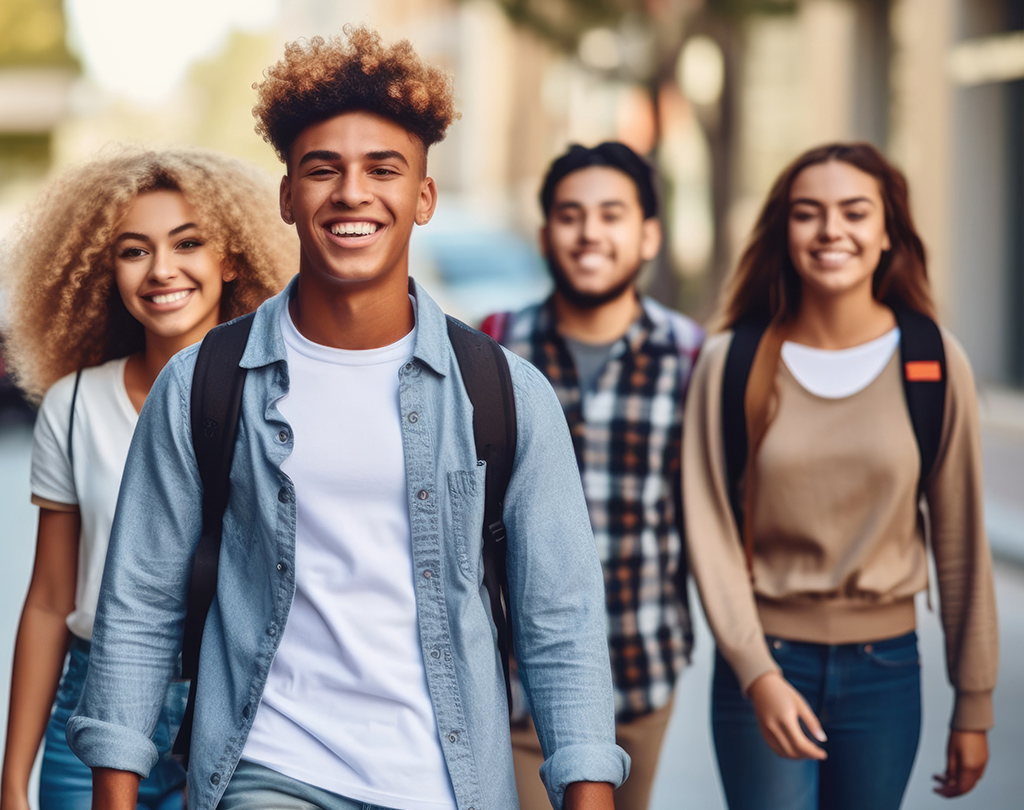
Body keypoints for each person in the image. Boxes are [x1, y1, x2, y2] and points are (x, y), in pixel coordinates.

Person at [65, 27, 627, 810]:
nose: (352, 193)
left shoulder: (504, 393)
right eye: (322, 169)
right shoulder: (205, 385)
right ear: (288, 196)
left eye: (383, 170)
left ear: (423, 197)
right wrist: (115, 791)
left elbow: (559, 618)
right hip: (268, 769)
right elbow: (141, 600)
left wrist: (588, 789)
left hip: (445, 782)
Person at [682, 142, 998, 810]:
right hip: (765, 661)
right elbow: (708, 530)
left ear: (888, 232)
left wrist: (975, 700)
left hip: (886, 671)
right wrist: (756, 672)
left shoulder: (934, 363)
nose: (831, 230)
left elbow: (962, 542)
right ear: (784, 231)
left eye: (855, 212)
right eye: (808, 213)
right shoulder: (731, 363)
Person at [0, 147, 294, 810]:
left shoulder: (281, 399)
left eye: (188, 243)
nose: (162, 269)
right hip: (96, 703)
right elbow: (49, 600)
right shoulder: (74, 406)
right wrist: (15, 777)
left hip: (242, 706)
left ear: (233, 257)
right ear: (105, 270)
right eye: (134, 250)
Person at [481, 142, 701, 810]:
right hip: (512, 692)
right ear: (546, 233)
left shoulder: (692, 358)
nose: (590, 233)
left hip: (640, 675)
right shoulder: (494, 350)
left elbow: (713, 522)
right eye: (571, 216)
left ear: (648, 234)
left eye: (611, 214)